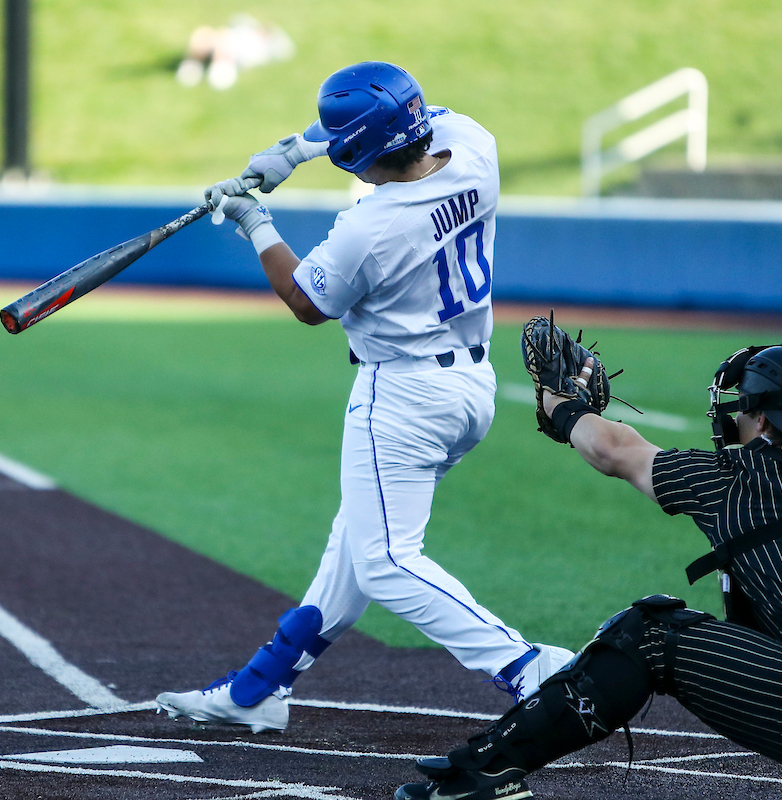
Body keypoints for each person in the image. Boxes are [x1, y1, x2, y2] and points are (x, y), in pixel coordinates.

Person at [155, 62, 573, 734]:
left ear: (358, 151)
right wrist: (296, 149)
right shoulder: (474, 146)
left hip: (401, 397)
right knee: (351, 550)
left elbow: (305, 301)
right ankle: (259, 689)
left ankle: (530, 667)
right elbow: (409, 122)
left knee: (382, 563)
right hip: (469, 388)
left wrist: (253, 218)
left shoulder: (371, 226)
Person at [394, 342, 782, 800]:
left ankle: (488, 773)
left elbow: (613, 448)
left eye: (741, 407)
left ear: (761, 419)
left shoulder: (739, 480)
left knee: (650, 632)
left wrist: (563, 405)